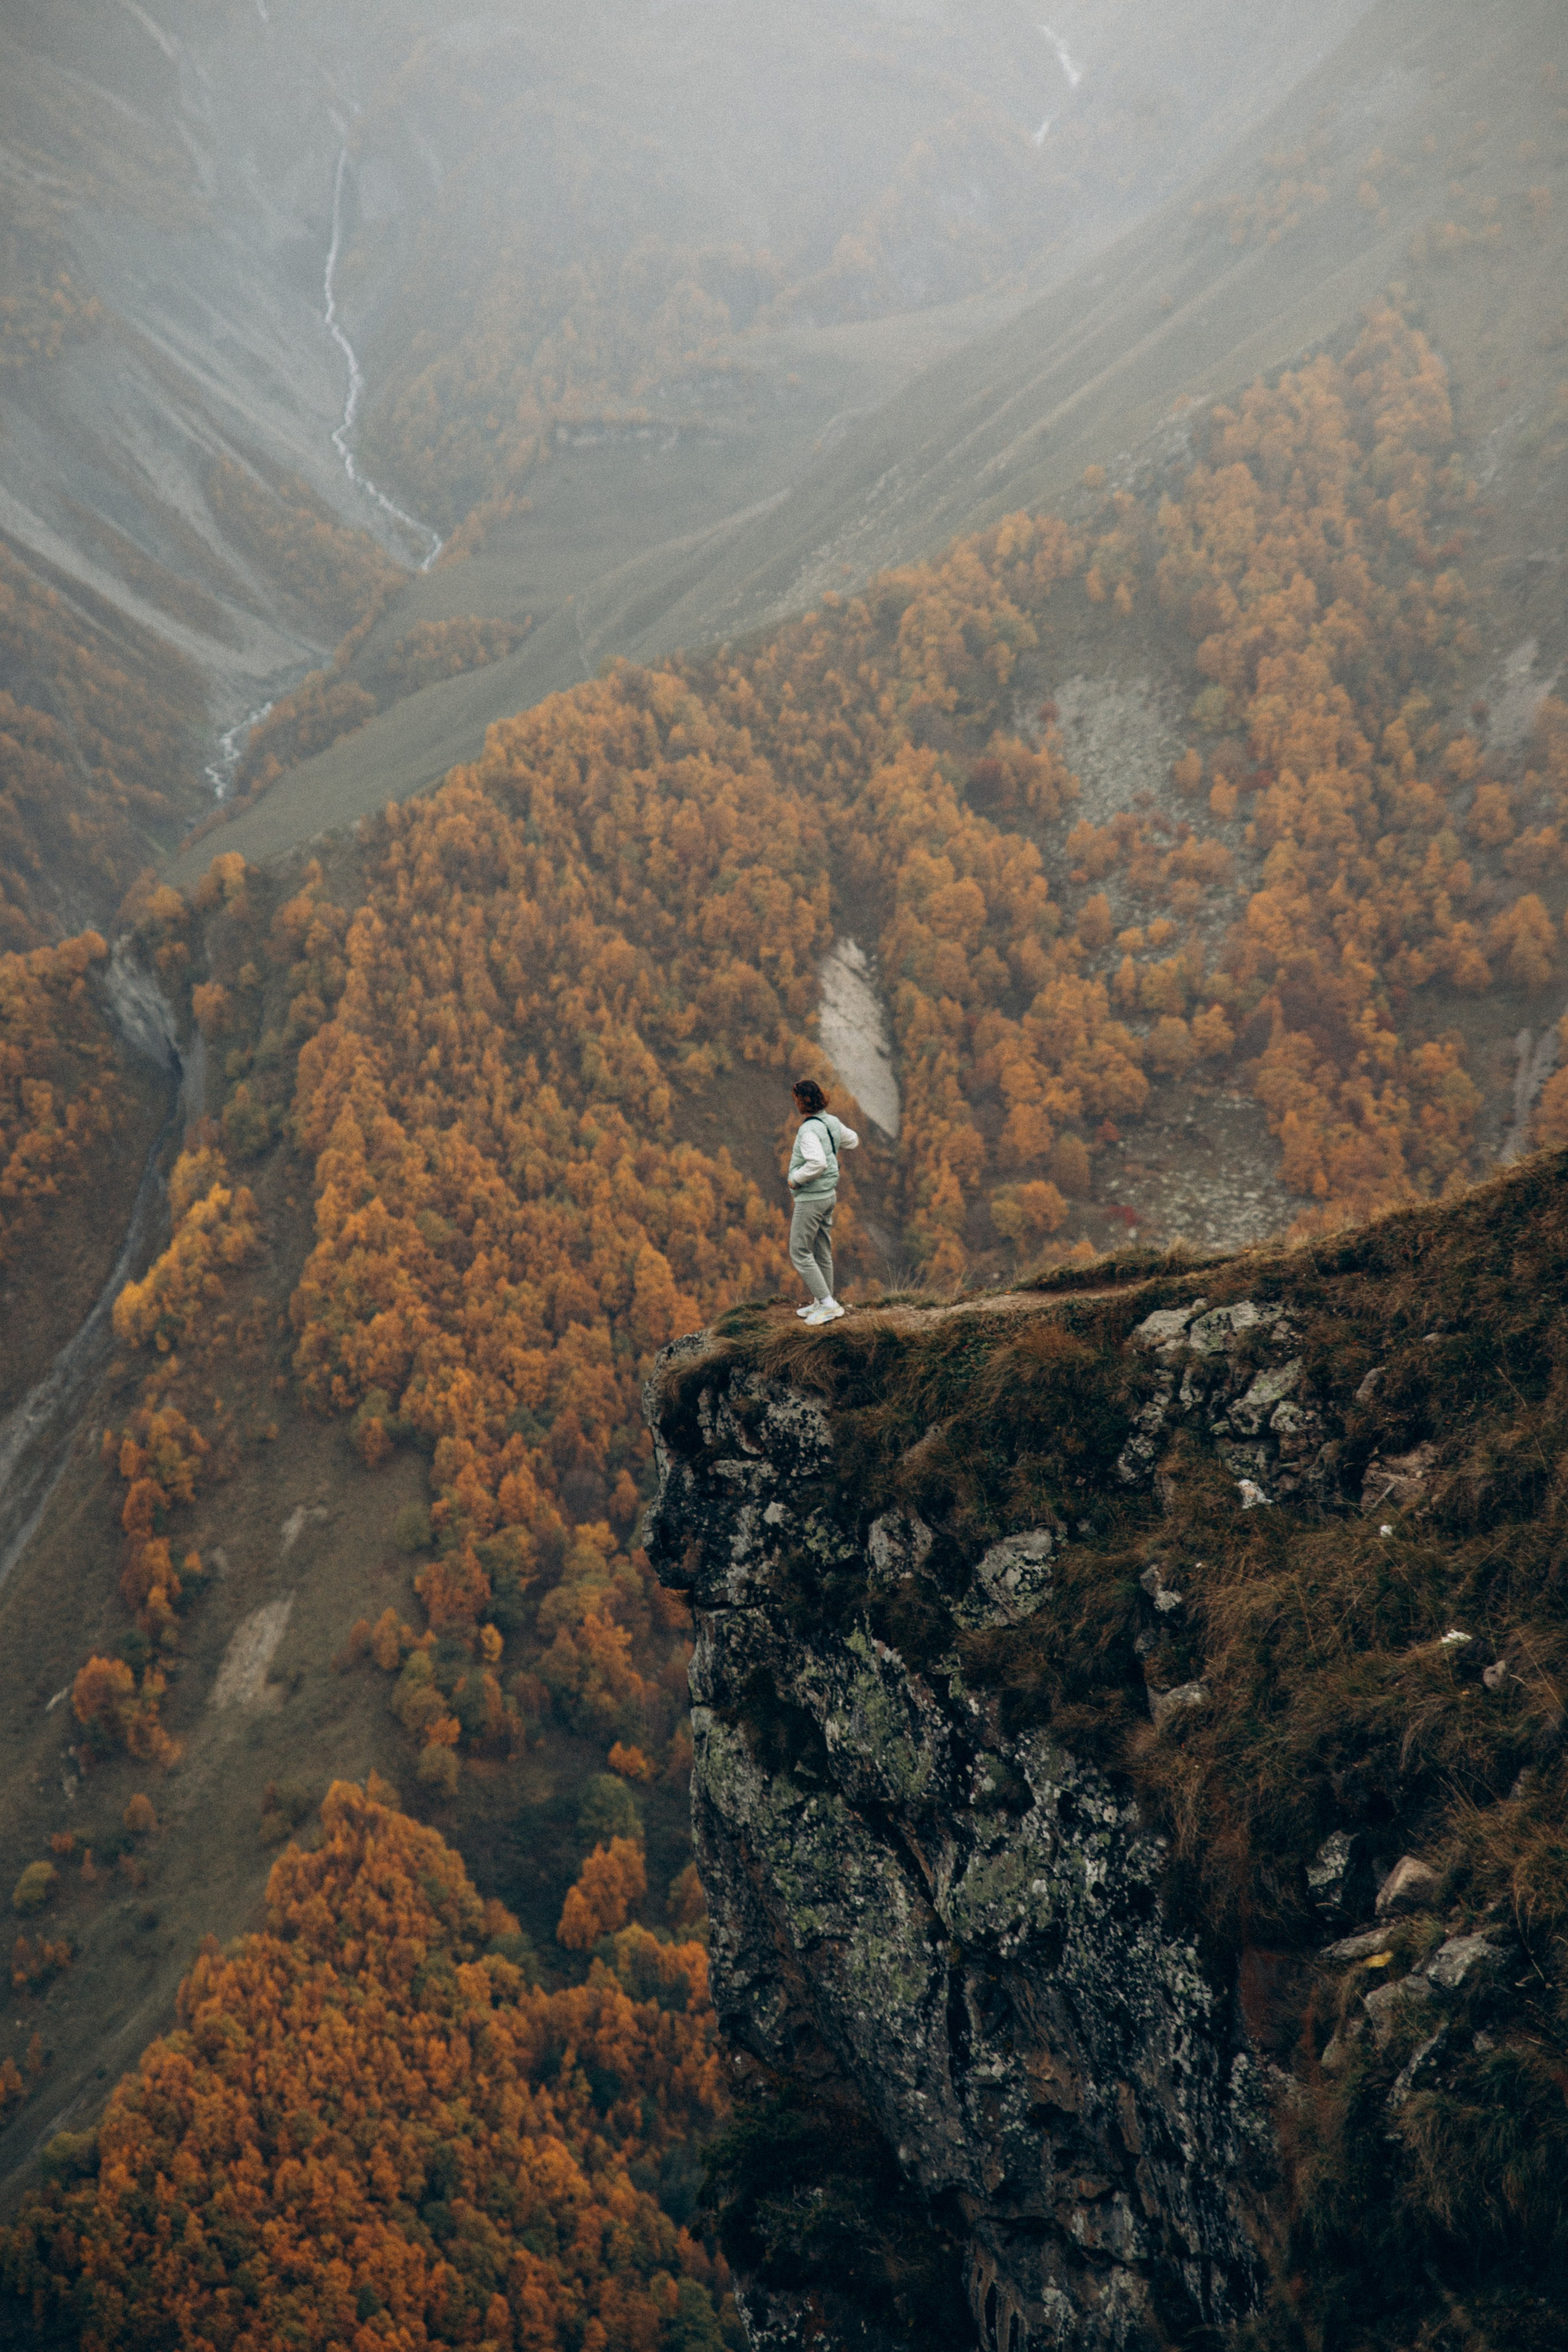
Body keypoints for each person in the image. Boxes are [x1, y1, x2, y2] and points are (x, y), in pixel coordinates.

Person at [786, 1077, 858, 1324]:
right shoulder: (831, 1122)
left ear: (802, 1101)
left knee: (799, 1251)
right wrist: (833, 1142)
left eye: (796, 1098)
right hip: (829, 1196)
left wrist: (796, 1179)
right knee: (821, 1250)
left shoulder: (807, 1131)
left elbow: (818, 1163)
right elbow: (853, 1140)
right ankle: (821, 1299)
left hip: (812, 1199)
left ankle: (828, 1305)